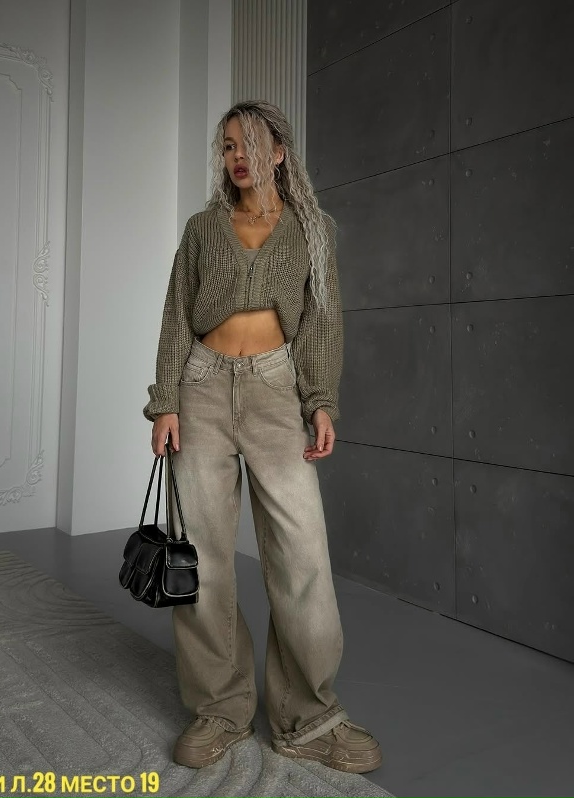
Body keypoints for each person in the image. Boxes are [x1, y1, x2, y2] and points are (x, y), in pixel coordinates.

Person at [143, 100, 382, 775]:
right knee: (201, 560)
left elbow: (322, 321)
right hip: (201, 387)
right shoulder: (202, 228)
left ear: (278, 151)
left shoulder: (312, 230)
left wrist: (320, 401)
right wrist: (166, 402)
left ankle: (309, 717)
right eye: (226, 146)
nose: (236, 156)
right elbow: (175, 316)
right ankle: (219, 709)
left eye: (248, 143)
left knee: (302, 556)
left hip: (278, 392)